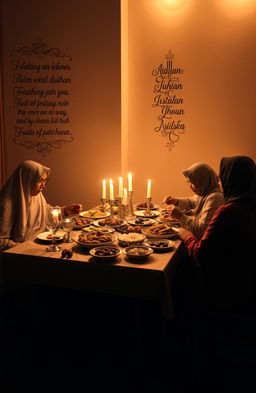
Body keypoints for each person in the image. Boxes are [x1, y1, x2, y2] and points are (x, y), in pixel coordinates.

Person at [178, 155, 256, 312]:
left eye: (223, 177)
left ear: (231, 180)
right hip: (246, 279)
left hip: (224, 283)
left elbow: (200, 252)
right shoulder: (250, 205)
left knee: (177, 270)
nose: (220, 182)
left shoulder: (228, 211)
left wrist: (186, 235)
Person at [0, 160, 82, 251]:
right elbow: (1, 241)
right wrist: (22, 247)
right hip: (21, 252)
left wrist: (65, 211)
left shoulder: (36, 196)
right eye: (40, 181)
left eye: (45, 180)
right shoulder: (6, 205)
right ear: (26, 180)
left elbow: (45, 214)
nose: (43, 185)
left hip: (41, 244)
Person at [163, 162, 224, 238]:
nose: (190, 187)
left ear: (203, 181)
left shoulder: (214, 198)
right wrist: (175, 201)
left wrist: (180, 216)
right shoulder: (205, 192)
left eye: (193, 183)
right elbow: (191, 201)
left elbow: (201, 231)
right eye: (188, 182)